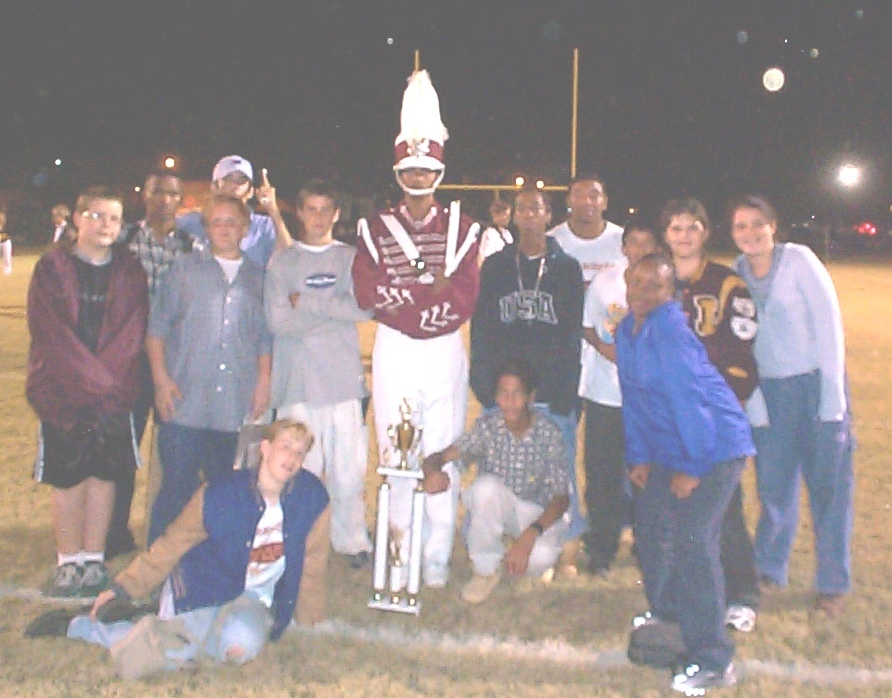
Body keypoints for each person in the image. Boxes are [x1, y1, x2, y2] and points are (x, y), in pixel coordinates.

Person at [58, 420, 330, 679]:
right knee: (180, 646)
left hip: (253, 598)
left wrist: (311, 622)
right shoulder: (220, 493)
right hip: (202, 587)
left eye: (299, 452)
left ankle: (161, 629)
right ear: (265, 448)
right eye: (285, 447)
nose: (291, 458)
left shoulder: (312, 498)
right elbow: (173, 543)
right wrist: (124, 588)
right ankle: (82, 627)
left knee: (238, 650)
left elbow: (312, 567)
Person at [352, 70, 480, 588]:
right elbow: (368, 291)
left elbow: (463, 297)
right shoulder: (374, 228)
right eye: (411, 169)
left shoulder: (463, 228)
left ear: (439, 172)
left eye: (427, 169)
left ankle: (436, 555)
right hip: (397, 348)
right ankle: (398, 550)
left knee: (442, 444)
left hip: (444, 346)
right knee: (396, 444)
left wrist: (414, 300)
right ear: (399, 170)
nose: (419, 177)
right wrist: (424, 298)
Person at [617, 254, 755, 695]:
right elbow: (633, 398)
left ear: (670, 293)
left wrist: (692, 467)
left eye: (654, 286)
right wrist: (639, 456)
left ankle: (714, 657)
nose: (642, 293)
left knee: (694, 540)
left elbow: (690, 403)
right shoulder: (627, 329)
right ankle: (672, 616)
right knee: (650, 526)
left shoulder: (671, 331)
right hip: (673, 445)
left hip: (714, 446)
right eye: (636, 282)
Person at [730, 195, 854, 618]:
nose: (750, 233)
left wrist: (832, 399)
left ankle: (832, 583)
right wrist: (755, 403)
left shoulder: (799, 261)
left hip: (815, 386)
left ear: (773, 226)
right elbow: (739, 346)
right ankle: (769, 569)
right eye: (741, 225)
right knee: (774, 489)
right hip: (769, 393)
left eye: (757, 223)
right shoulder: (735, 275)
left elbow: (829, 327)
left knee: (829, 491)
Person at [26, 187, 148, 597]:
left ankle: (93, 558)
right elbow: (51, 333)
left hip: (112, 395)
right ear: (77, 218)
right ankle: (68, 561)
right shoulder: (52, 267)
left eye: (113, 218)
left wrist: (104, 383)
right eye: (96, 216)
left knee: (103, 475)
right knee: (68, 476)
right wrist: (92, 379)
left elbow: (131, 332)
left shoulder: (129, 271)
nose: (105, 225)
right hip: (64, 393)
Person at [469, 187, 585, 577]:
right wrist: (484, 384)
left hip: (550, 390)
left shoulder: (566, 268)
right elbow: (482, 327)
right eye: (522, 208)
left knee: (560, 472)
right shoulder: (497, 266)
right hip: (505, 393)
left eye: (536, 208)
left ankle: (566, 547)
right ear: (514, 216)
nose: (529, 215)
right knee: (493, 468)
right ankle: (486, 543)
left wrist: (564, 391)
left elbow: (570, 335)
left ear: (549, 215)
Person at [147, 194, 272, 545]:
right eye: (216, 222)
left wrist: (263, 381)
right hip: (185, 401)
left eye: (232, 222)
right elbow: (157, 329)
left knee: (225, 491)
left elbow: (263, 338)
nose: (224, 229)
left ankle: (212, 566)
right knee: (176, 489)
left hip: (233, 404)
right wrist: (160, 381)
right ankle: (160, 565)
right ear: (205, 228)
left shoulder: (259, 278)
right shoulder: (183, 270)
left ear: (245, 229)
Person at [661, 198, 761, 633]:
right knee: (674, 507)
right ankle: (682, 593)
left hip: (713, 413)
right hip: (668, 414)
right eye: (676, 228)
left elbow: (741, 355)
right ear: (665, 234)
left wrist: (716, 408)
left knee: (724, 507)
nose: (684, 236)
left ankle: (742, 594)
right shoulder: (656, 279)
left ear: (705, 232)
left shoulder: (727, 283)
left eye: (692, 227)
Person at [265, 179, 373, 567]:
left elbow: (363, 308)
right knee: (296, 470)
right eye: (311, 209)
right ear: (299, 212)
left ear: (337, 214)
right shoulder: (283, 263)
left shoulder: (350, 258)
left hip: (342, 382)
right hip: (298, 383)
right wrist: (332, 313)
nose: (318, 217)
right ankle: (296, 540)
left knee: (348, 472)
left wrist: (307, 303)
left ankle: (352, 541)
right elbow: (279, 322)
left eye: (326, 209)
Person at [422, 358, 569, 605]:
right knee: (485, 489)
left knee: (540, 561)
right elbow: (442, 456)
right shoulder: (487, 428)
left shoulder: (549, 433)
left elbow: (561, 497)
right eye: (503, 393)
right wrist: (431, 471)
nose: (509, 401)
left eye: (517, 393)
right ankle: (485, 569)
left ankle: (524, 550)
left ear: (530, 397)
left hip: (534, 513)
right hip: (496, 507)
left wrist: (530, 536)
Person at [104, 170, 193, 559]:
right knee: (124, 450)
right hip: (127, 364)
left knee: (174, 453)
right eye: (158, 192)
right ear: (146, 195)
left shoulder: (191, 248)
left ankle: (168, 532)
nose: (164, 200)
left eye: (172, 194)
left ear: (181, 200)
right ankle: (113, 531)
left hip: (174, 364)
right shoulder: (123, 242)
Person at [580, 218, 659, 576]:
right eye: (634, 242)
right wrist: (603, 347)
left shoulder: (663, 284)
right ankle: (602, 546)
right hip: (605, 395)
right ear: (623, 247)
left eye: (647, 242)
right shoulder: (605, 281)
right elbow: (587, 325)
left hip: (647, 399)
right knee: (602, 477)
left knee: (647, 477)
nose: (639, 250)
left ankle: (646, 546)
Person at [177, 155, 292, 269]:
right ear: (214, 187)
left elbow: (289, 260)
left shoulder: (264, 226)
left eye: (241, 180)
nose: (235, 186)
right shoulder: (191, 222)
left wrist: (273, 209)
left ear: (251, 191)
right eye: (228, 179)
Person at [547, 173, 624, 289]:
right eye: (579, 196)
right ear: (568, 202)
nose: (587, 202)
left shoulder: (623, 240)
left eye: (593, 196)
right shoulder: (551, 241)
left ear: (605, 202)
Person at [478, 199, 513, 264]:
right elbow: (481, 256)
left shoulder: (507, 233)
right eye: (505, 215)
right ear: (496, 215)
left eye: (509, 215)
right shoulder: (489, 233)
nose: (508, 218)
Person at [0, 208, 12, 274]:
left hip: (5, 242)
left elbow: (8, 235)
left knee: (7, 256)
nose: (1, 218)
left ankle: (7, 268)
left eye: (2, 217)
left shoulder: (7, 226)